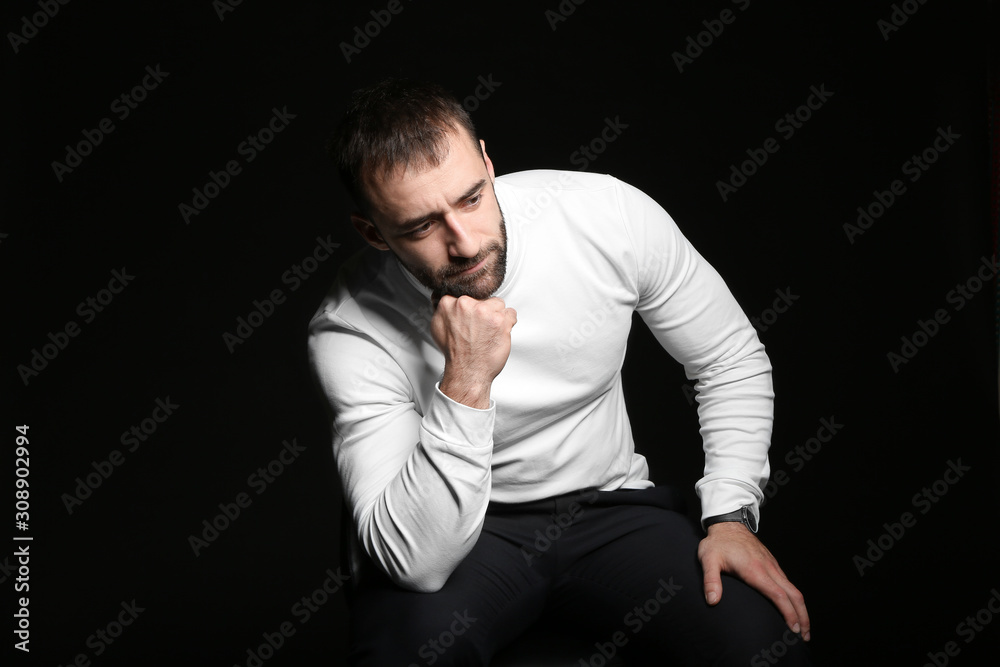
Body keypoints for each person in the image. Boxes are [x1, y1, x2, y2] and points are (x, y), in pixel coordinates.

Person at [309, 78, 812, 666]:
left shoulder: (604, 216)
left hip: (614, 510)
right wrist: (467, 379)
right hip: (474, 534)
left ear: (489, 164)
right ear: (373, 233)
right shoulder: (350, 327)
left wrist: (731, 515)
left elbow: (727, 356)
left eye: (472, 197)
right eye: (422, 226)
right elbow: (418, 562)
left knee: (764, 645)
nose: (465, 244)